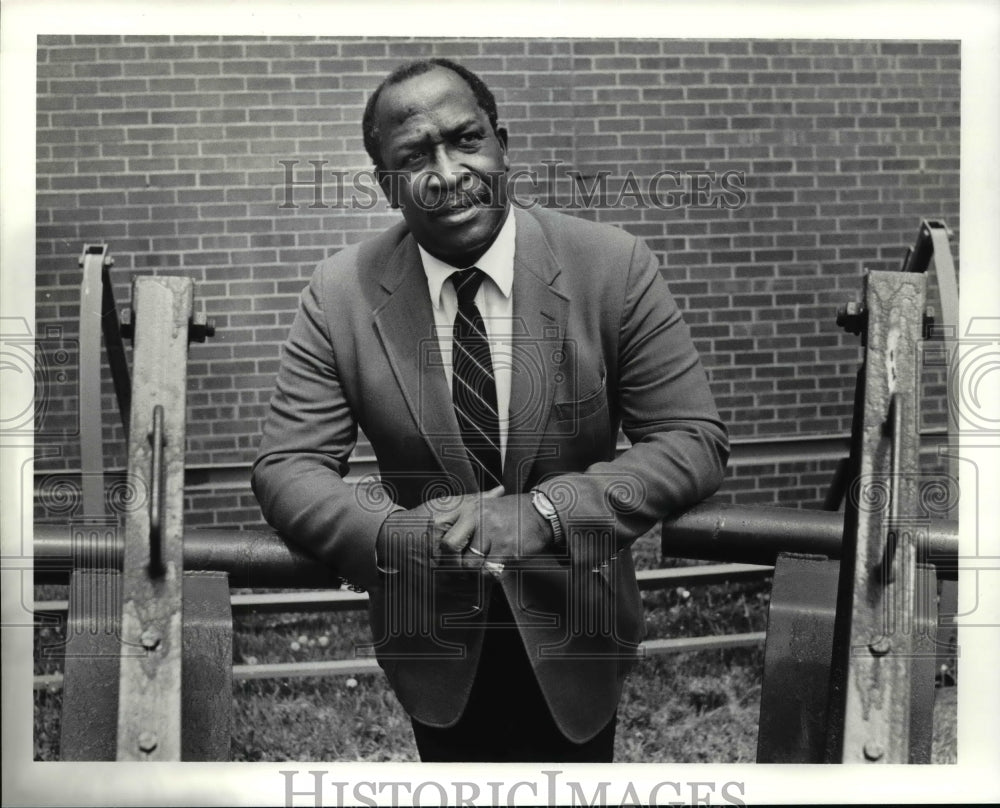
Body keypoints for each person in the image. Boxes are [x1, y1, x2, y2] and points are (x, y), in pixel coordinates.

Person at [252, 58, 728, 762]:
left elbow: (692, 440)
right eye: (415, 156)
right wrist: (396, 539)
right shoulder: (339, 293)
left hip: (579, 628)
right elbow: (288, 465)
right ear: (387, 184)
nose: (448, 172)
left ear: (502, 142)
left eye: (466, 139)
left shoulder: (612, 266)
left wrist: (545, 513)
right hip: (432, 640)